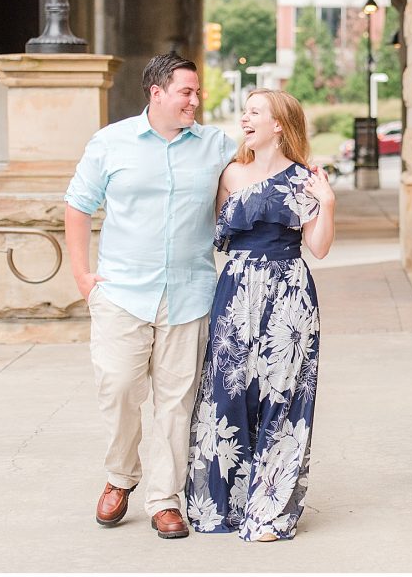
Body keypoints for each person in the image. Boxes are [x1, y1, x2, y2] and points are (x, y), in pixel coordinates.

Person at [64, 52, 237, 540]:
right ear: (156, 93)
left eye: (198, 92)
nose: (195, 100)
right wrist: (82, 276)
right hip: (121, 292)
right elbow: (77, 206)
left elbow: (252, 175)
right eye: (187, 92)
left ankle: (165, 499)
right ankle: (121, 475)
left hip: (190, 294)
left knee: (176, 403)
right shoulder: (110, 142)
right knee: (117, 387)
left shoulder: (215, 146)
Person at [185, 89, 335, 542]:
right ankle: (222, 503)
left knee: (283, 399)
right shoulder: (230, 173)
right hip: (235, 290)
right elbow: (212, 232)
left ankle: (269, 510)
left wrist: (326, 203)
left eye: (255, 112)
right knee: (229, 394)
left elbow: (320, 247)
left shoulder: (304, 179)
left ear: (279, 126)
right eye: (244, 111)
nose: (245, 118)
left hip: (289, 295)